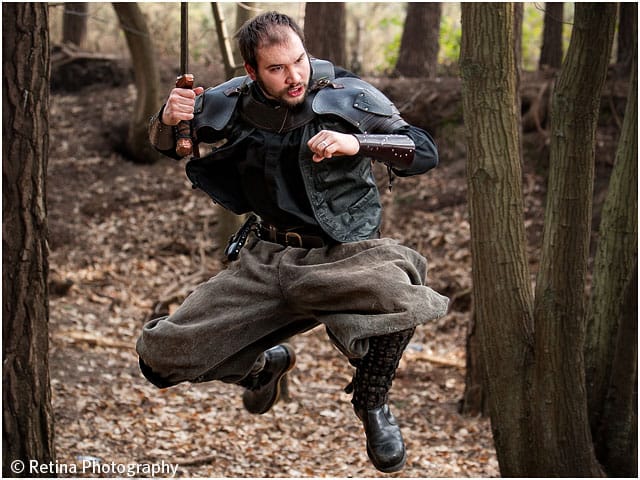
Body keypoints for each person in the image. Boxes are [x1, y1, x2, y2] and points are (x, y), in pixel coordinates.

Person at [137, 11, 449, 473]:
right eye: (277, 69)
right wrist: (168, 116)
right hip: (266, 258)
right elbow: (171, 143)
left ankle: (373, 403)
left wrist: (357, 144)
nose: (294, 76)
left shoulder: (346, 94)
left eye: (299, 61)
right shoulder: (236, 99)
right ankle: (265, 367)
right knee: (158, 359)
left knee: (401, 295)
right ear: (252, 72)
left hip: (344, 254)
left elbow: (422, 151)